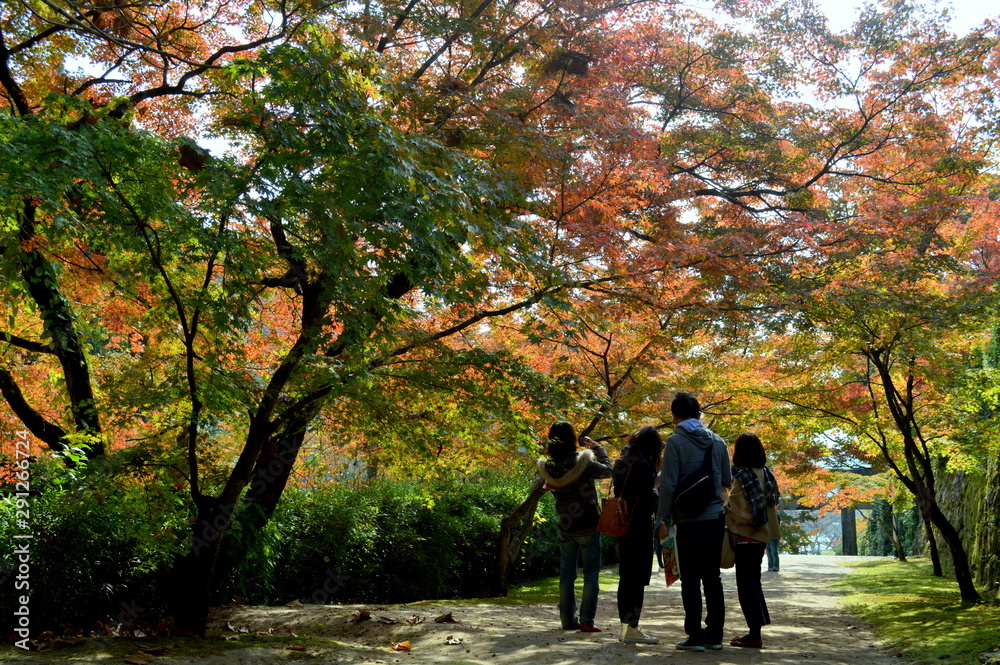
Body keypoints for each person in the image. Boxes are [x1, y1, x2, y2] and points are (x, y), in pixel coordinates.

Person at [656, 392, 732, 652]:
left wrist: (661, 519)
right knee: (713, 577)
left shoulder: (675, 442)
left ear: (674, 415)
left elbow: (667, 486)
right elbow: (725, 482)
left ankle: (695, 637)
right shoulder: (718, 441)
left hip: (687, 520)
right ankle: (715, 636)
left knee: (690, 579)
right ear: (699, 414)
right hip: (714, 518)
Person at [537, 421, 613, 632]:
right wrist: (598, 449)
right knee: (591, 575)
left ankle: (567, 621)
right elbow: (608, 471)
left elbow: (552, 489)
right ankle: (587, 621)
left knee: (566, 575)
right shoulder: (583, 462)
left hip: (565, 525)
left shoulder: (548, 466)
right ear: (573, 439)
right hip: (588, 523)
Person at [724, 432, 781, 649]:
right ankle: (754, 630)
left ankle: (754, 635)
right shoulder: (765, 472)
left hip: (748, 536)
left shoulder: (743, 475)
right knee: (753, 584)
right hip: (762, 536)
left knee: (746, 586)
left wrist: (722, 502)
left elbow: (737, 509)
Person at [613, 426, 662, 644]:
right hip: (639, 527)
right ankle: (632, 628)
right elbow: (649, 500)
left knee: (626, 577)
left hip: (623, 525)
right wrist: (657, 487)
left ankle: (626, 627)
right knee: (638, 579)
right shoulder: (642, 465)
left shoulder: (621, 462)